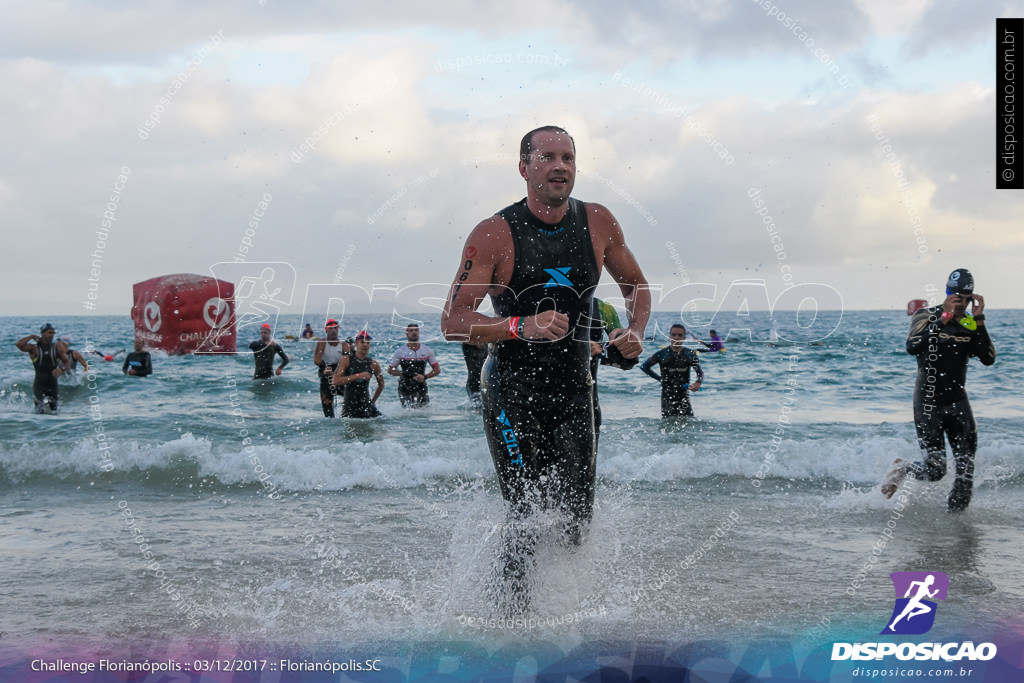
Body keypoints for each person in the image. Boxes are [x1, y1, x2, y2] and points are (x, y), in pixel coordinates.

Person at [440, 126, 650, 607]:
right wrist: (519, 327)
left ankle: (561, 608)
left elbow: (636, 284)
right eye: (548, 157)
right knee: (525, 516)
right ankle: (508, 619)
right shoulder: (494, 233)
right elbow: (453, 322)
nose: (561, 166)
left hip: (577, 390)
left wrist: (634, 332)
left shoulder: (598, 222)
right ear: (524, 167)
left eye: (569, 157)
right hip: (513, 394)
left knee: (577, 521)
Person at [882, 268, 996, 511]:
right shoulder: (926, 315)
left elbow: (988, 358)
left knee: (965, 473)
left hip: (958, 402)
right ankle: (903, 468)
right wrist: (943, 318)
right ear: (947, 292)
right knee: (935, 471)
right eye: (957, 296)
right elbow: (913, 346)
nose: (961, 302)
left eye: (966, 298)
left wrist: (979, 318)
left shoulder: (969, 322)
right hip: (928, 403)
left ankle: (959, 537)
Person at [641, 323, 705, 417]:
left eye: (680, 335)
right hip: (667, 397)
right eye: (674, 335)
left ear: (684, 337)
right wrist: (660, 379)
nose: (677, 337)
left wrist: (698, 382)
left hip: (684, 397)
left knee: (689, 424)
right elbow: (644, 367)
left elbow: (700, 372)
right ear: (669, 336)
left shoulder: (690, 354)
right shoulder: (661, 354)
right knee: (667, 424)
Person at [15, 323, 69, 413]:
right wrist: (31, 336)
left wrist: (61, 369)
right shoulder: (34, 348)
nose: (52, 335)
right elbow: (19, 344)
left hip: (53, 385)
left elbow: (66, 363)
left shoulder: (58, 347)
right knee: (39, 411)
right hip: (39, 385)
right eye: (49, 332)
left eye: (53, 333)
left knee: (53, 412)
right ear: (42, 333)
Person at [332, 331, 384, 418]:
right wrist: (357, 376)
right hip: (349, 407)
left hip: (367, 406)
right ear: (356, 343)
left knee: (386, 424)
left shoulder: (374, 364)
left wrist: (373, 401)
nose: (365, 345)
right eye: (362, 342)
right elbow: (335, 381)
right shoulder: (346, 360)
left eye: (368, 342)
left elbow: (381, 384)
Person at [387, 323, 441, 407]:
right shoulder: (400, 351)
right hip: (405, 385)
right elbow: (390, 370)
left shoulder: (427, 350)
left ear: (419, 332)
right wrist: (404, 373)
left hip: (421, 384)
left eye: (416, 330)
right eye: (411, 330)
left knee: (424, 411)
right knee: (407, 412)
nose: (414, 332)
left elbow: (437, 369)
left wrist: (425, 377)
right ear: (406, 333)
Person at [313, 319, 351, 417]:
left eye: (335, 328)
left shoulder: (344, 345)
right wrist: (326, 369)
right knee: (328, 414)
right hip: (326, 377)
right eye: (330, 328)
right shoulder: (322, 342)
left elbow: (348, 363)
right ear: (326, 330)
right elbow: (317, 361)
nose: (333, 330)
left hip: (340, 376)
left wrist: (336, 373)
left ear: (338, 330)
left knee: (351, 402)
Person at [461, 342, 489, 406]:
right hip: (473, 385)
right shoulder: (467, 347)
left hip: (486, 383)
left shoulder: (488, 347)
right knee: (478, 407)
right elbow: (463, 336)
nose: (480, 342)